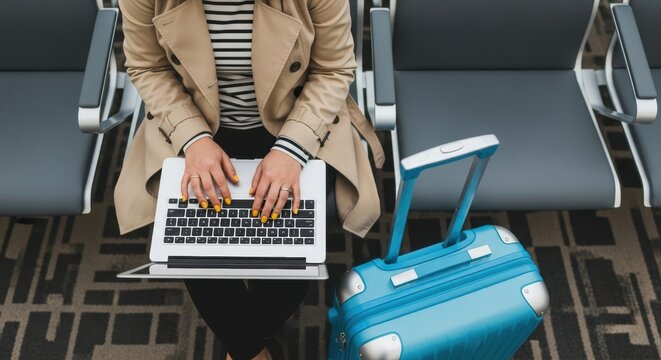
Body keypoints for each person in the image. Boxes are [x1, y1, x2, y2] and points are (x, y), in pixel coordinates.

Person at [114, 0, 385, 359]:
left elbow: (334, 70)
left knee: (291, 256)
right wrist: (192, 139)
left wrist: (291, 149)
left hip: (295, 117)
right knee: (198, 251)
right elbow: (147, 66)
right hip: (196, 119)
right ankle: (253, 350)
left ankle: (243, 350)